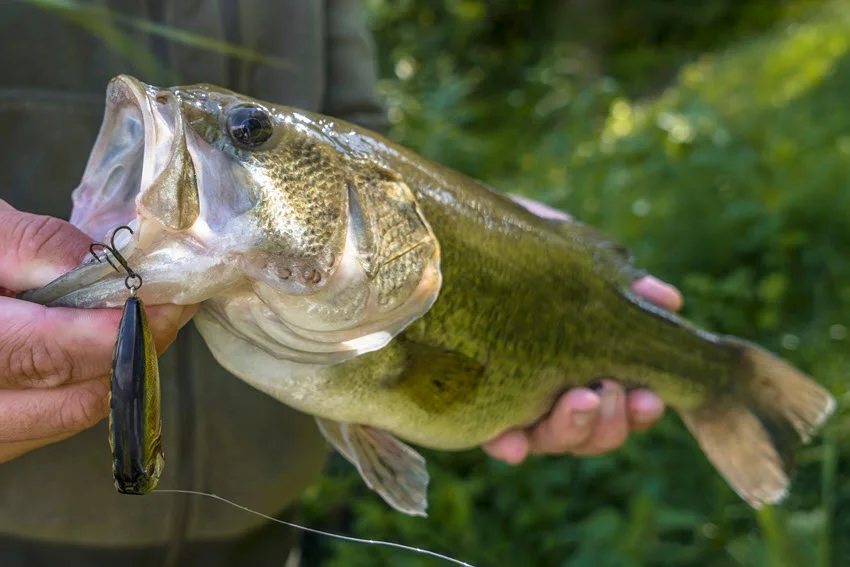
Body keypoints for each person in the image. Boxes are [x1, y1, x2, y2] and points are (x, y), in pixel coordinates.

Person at [0, 1, 677, 565]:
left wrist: (506, 235)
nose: (194, 123)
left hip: (266, 520)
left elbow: (363, 140)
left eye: (248, 132)